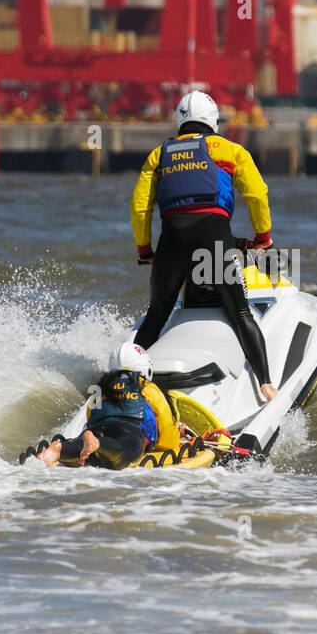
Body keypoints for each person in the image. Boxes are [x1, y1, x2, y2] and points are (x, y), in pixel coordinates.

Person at [130, 90, 279, 402]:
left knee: (157, 314)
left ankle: (126, 379)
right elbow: (257, 194)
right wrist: (263, 238)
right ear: (213, 121)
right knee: (240, 313)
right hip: (214, 240)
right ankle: (266, 384)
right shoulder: (230, 150)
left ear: (180, 121)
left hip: (172, 242)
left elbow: (140, 208)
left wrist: (145, 250)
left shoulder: (159, 155)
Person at [34, 343, 179, 469]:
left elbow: (90, 414)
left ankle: (60, 449)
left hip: (96, 428)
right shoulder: (146, 386)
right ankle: (97, 444)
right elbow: (165, 423)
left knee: (84, 450)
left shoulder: (102, 387)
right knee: (123, 451)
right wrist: (171, 444)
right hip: (129, 430)